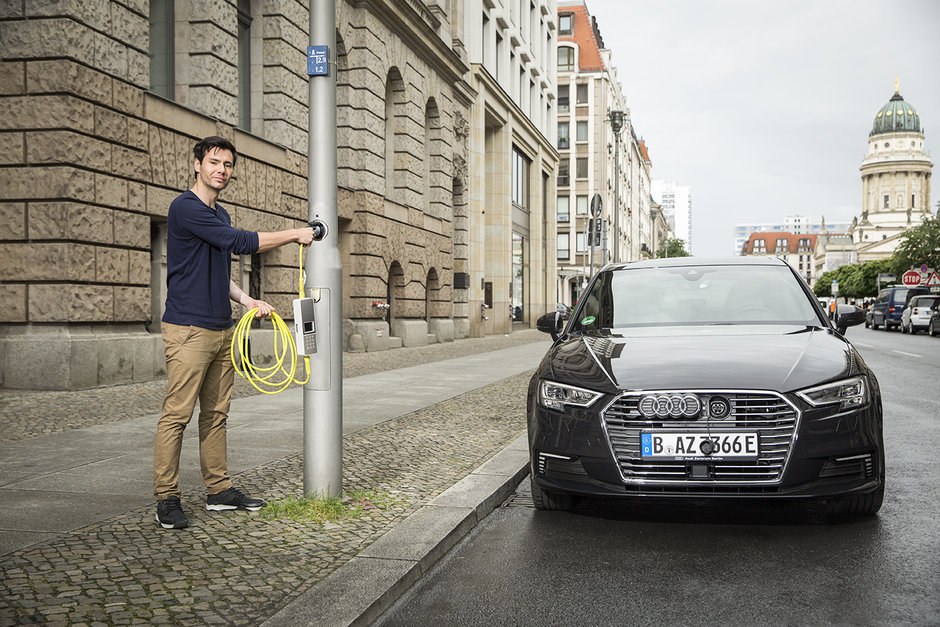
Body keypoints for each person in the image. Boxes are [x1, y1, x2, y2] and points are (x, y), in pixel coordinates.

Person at [155, 136, 316, 530]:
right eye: (213, 162)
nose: (221, 170)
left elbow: (220, 269)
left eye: (227, 164)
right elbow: (240, 243)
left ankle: (219, 491)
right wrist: (297, 232)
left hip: (222, 328)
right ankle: (166, 498)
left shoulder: (220, 213)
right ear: (197, 164)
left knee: (216, 415)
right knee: (177, 416)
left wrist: (246, 299)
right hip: (188, 330)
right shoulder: (185, 208)